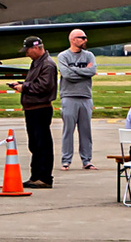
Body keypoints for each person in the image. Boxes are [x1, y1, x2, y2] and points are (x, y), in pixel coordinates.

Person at [9, 36, 58, 189]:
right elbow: (37, 83)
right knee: (35, 144)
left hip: (40, 109)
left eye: (28, 50)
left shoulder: (47, 65)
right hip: (32, 108)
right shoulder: (37, 63)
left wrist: (24, 87)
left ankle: (44, 177)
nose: (26, 54)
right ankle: (35, 176)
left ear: (37, 48)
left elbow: (44, 86)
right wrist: (23, 85)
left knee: (42, 144)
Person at [57, 29, 99, 172]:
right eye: (82, 38)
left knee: (86, 131)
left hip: (86, 97)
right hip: (69, 97)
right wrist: (83, 73)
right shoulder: (63, 56)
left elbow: (92, 71)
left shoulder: (89, 55)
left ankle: (87, 160)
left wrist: (76, 71)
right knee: (68, 130)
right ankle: (66, 160)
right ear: (73, 39)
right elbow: (66, 75)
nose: (85, 40)